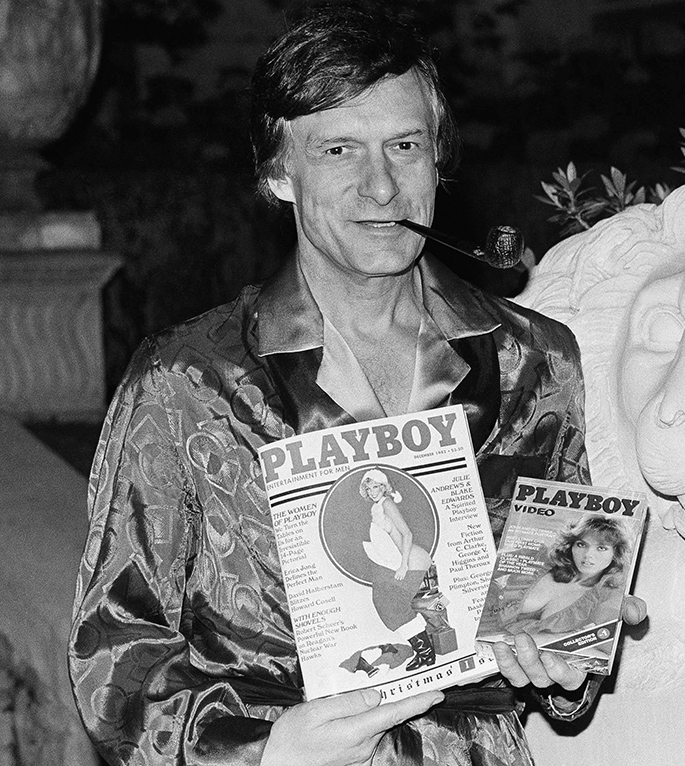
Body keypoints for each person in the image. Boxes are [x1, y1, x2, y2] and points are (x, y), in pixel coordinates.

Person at [67, 5, 646, 766]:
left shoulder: (535, 360)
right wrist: (260, 752)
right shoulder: (185, 383)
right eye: (339, 149)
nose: (381, 187)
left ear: (437, 161)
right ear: (279, 173)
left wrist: (562, 647)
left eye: (405, 146)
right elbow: (114, 646)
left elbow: (556, 618)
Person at [356, 469, 436, 671]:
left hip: (411, 561)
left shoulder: (387, 504)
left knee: (393, 605)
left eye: (376, 486)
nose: (372, 491)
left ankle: (426, 652)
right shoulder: (377, 507)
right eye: (368, 488)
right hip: (398, 560)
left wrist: (404, 565)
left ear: (384, 487)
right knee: (385, 602)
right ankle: (425, 652)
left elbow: (407, 534)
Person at [506, 517, 632, 639]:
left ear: (616, 554)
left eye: (601, 548)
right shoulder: (539, 558)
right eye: (581, 545)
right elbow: (495, 561)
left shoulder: (605, 598)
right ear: (571, 546)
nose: (588, 555)